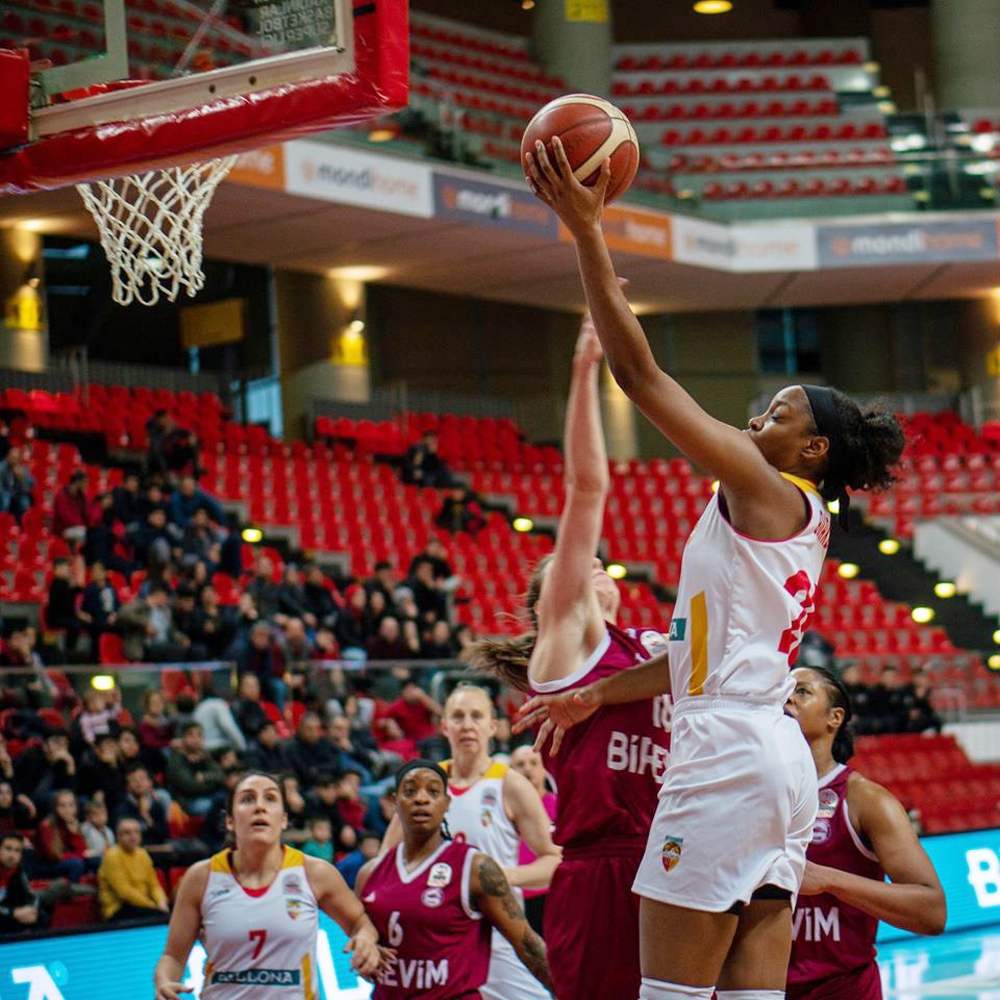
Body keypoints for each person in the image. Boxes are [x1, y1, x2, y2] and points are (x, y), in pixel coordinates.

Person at [520, 137, 907, 1000]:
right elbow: (695, 656)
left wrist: (587, 231)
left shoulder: (767, 488)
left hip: (726, 754)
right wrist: (598, 695)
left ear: (812, 448)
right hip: (771, 756)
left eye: (778, 413)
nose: (757, 419)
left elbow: (640, 376)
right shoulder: (792, 514)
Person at [472, 313, 671, 1000]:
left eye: (588, 561)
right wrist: (586, 368)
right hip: (602, 866)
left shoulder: (652, 647)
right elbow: (588, 490)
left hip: (673, 852)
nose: (583, 563)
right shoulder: (568, 648)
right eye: (566, 567)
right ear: (549, 607)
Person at [381, 685, 560, 1000]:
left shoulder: (510, 784)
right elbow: (385, 862)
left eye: (476, 716)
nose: (467, 725)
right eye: (458, 716)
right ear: (444, 726)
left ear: (492, 726)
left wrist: (500, 877)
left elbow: (554, 861)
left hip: (497, 934)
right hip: (434, 940)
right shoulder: (424, 785)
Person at [154, 771, 389, 1000]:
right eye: (247, 799)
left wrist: (366, 939)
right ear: (230, 821)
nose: (259, 806)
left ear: (283, 819)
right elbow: (173, 957)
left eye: (270, 798)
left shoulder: (315, 873)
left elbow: (359, 922)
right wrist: (164, 981)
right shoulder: (201, 877)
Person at [784, 666, 946, 998]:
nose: (787, 698)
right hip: (759, 987)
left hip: (840, 989)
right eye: (782, 690)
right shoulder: (751, 795)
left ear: (835, 717)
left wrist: (828, 879)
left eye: (802, 691)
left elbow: (931, 911)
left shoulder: (865, 799)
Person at [358, 760, 554, 999]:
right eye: (410, 791)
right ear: (394, 802)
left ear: (447, 803)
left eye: (433, 792)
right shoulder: (370, 874)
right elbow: (360, 934)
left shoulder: (475, 867)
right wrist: (364, 940)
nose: (421, 799)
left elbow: (529, 946)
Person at [510, 745, 558, 933]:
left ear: (544, 770)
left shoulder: (559, 804)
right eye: (520, 764)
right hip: (514, 894)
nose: (527, 768)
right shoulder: (501, 808)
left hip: (550, 893)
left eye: (533, 763)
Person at [97, 817, 169, 922]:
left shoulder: (143, 854)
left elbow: (154, 885)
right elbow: (124, 892)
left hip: (144, 906)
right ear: (118, 836)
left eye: (136, 832)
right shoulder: (112, 856)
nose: (133, 836)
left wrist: (161, 902)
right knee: (160, 916)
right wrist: (152, 906)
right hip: (118, 909)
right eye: (127, 832)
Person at [0, 446, 35, 524]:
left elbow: (28, 488)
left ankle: (21, 524)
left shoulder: (24, 470)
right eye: (11, 457)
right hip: (5, 491)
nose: (12, 460)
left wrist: (21, 477)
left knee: (25, 503)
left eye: (15, 458)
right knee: (5, 501)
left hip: (19, 493)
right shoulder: (2, 467)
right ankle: (2, 522)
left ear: (19, 460)